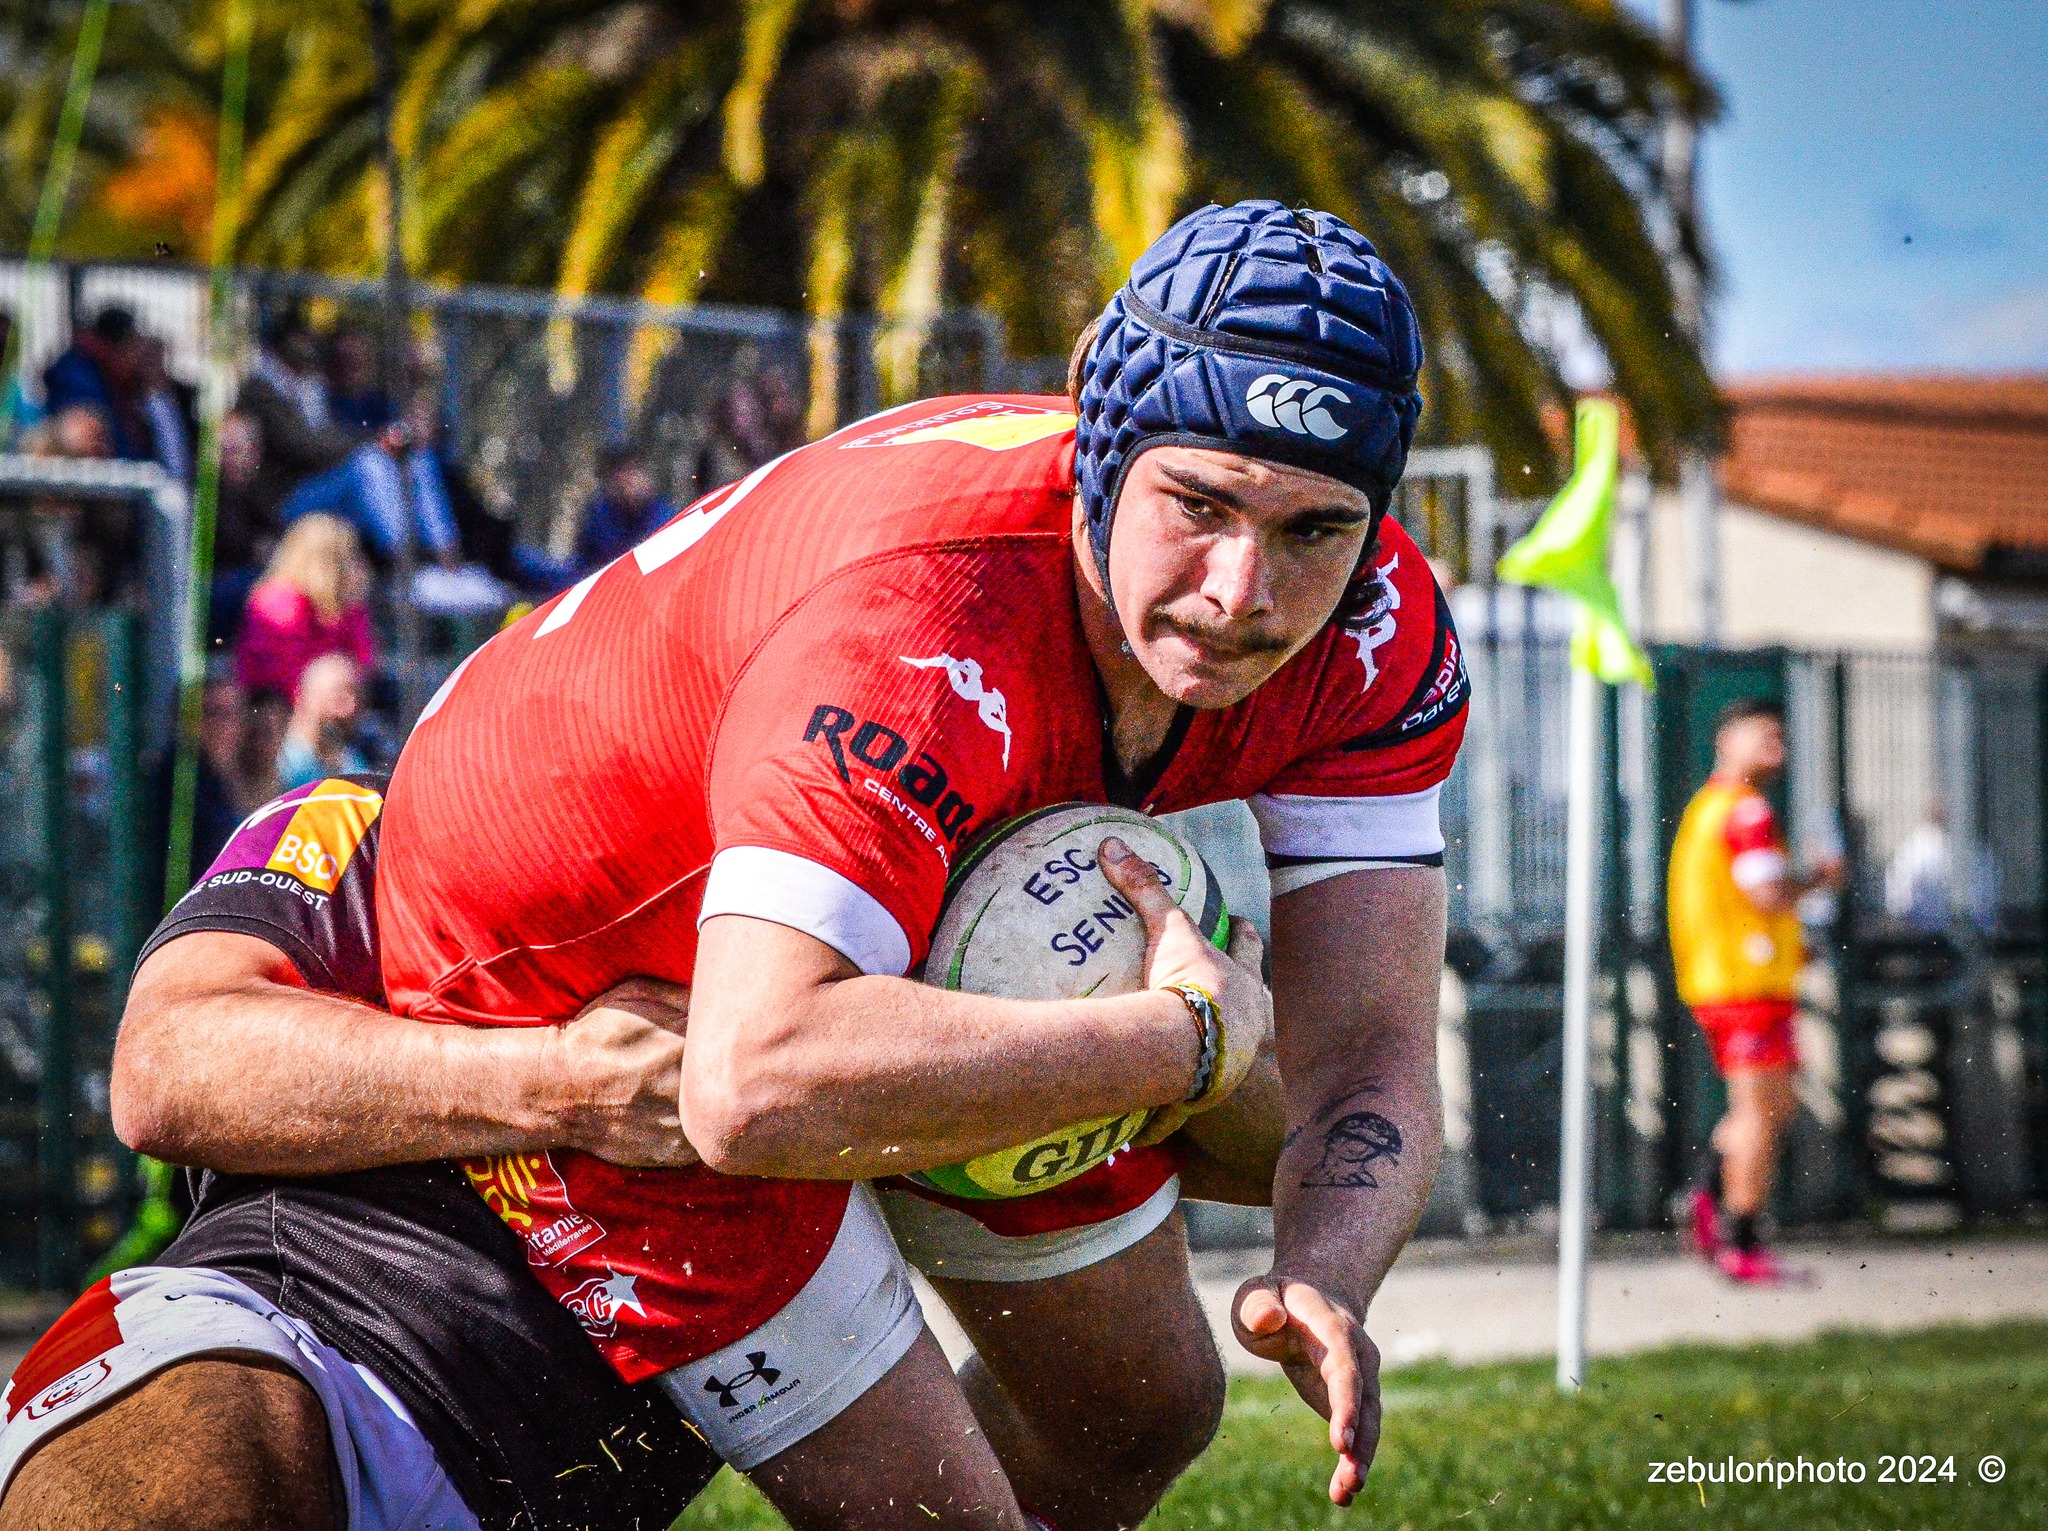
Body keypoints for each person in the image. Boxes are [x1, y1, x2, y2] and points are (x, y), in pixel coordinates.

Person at [378, 199, 1465, 1523]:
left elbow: (1373, 1062)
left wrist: (1328, 1270)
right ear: (1102, 446)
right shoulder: (923, 627)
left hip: (899, 886)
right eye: (1200, 503)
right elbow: (749, 1081)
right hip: (588, 962)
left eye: (1314, 529)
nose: (1245, 593)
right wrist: (1173, 1043)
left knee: (1139, 1409)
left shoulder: (1384, 630)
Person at [0, 775, 724, 1531]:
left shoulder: (804, 920)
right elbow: (161, 1066)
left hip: (545, 1481)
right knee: (197, 1438)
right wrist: (567, 1081)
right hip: (280, 1337)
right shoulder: (361, 811)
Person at [1668, 697, 1842, 1284]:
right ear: (1725, 739)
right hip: (1745, 986)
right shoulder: (1746, 812)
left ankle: (1706, 1195)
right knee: (1760, 1114)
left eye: (1781, 735)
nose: (1778, 745)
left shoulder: (1709, 808)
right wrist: (1820, 878)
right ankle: (1738, 1241)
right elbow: (1766, 893)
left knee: (1769, 1108)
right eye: (1763, 733)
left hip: (1733, 981)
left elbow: (1739, 904)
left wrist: (1796, 944)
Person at [239, 319, 458, 566]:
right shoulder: (262, 390)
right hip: (286, 500)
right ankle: (406, 567)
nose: (308, 349)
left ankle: (447, 561)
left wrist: (393, 441)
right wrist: (378, 440)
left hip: (327, 486)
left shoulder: (308, 388)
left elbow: (332, 438)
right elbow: (306, 446)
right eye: (301, 342)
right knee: (370, 463)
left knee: (414, 457)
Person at [235, 513, 377, 703]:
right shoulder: (278, 603)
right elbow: (282, 678)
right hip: (275, 707)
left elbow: (364, 662)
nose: (356, 565)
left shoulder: (346, 605)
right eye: (347, 558)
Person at [42, 306, 149, 461]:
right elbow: (85, 440)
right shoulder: (78, 376)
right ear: (121, 347)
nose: (139, 361)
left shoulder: (111, 377)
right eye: (134, 349)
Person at [572, 442, 673, 574]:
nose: (632, 480)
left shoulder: (663, 514)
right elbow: (583, 565)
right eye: (624, 472)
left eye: (636, 471)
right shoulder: (599, 514)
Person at [277, 653, 372, 788]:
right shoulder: (280, 766)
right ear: (305, 698)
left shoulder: (352, 762)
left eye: (357, 697)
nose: (350, 710)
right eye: (339, 698)